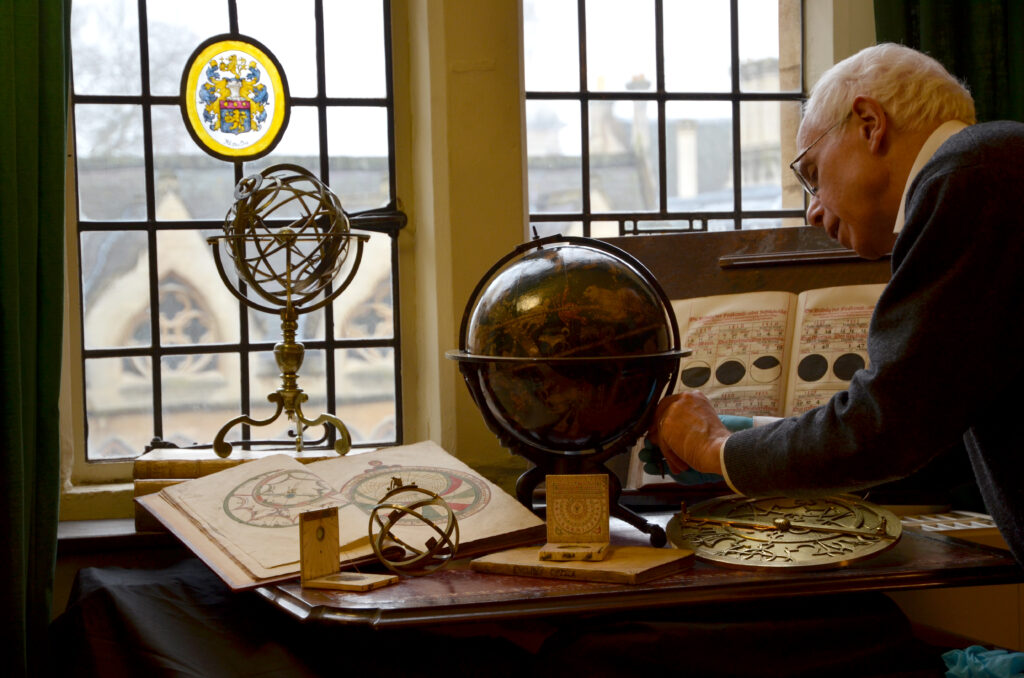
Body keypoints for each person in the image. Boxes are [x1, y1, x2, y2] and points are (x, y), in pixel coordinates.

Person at [647, 42, 1024, 566]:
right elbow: (940, 443)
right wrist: (745, 438)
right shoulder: (987, 166)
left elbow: (890, 427)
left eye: (812, 174)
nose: (812, 212)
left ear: (869, 123)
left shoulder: (969, 176)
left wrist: (714, 448)